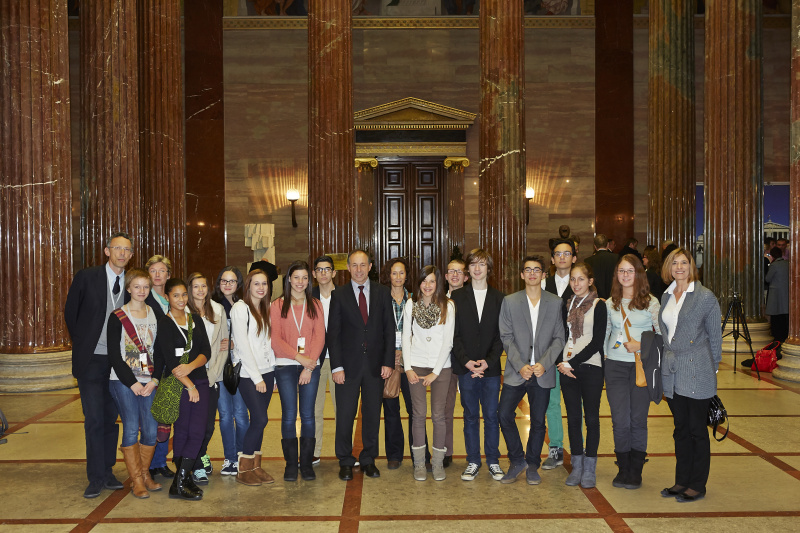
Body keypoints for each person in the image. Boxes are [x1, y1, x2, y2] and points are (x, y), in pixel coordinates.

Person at [65, 232, 135, 498]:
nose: (122, 253)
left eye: (127, 250)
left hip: (119, 362)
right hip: (92, 360)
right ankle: (95, 476)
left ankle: (107, 471)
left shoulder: (132, 282)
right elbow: (71, 312)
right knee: (94, 418)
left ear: (130, 255)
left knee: (110, 418)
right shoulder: (87, 277)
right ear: (107, 251)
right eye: (117, 248)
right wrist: (85, 342)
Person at [659, 248, 722, 503]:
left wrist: (714, 367)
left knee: (697, 429)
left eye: (684, 262)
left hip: (698, 368)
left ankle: (697, 484)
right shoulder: (666, 296)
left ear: (691, 266)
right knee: (680, 429)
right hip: (673, 370)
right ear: (669, 267)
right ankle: (681, 480)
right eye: (675, 263)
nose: (680, 267)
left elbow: (715, 336)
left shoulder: (705, 297)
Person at [498, 255, 566, 485]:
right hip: (517, 371)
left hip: (542, 372)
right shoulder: (510, 301)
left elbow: (559, 338)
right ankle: (517, 460)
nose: (532, 274)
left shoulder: (555, 302)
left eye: (537, 270)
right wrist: (521, 365)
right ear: (522, 274)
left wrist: (544, 363)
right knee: (504, 414)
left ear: (544, 274)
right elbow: (506, 337)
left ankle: (533, 464)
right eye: (528, 270)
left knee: (538, 421)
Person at [328, 250, 395, 481]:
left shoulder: (383, 293)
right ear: (347, 267)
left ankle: (368, 459)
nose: (358, 269)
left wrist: (388, 362)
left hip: (376, 366)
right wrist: (336, 367)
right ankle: (345, 460)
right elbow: (333, 335)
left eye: (362, 265)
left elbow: (389, 331)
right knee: (345, 416)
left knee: (372, 415)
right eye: (354, 265)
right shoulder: (340, 295)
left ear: (370, 266)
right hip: (347, 368)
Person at [605, 254, 661, 490]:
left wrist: (641, 345)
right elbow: (606, 332)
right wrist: (603, 358)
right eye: (621, 271)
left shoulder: (652, 303)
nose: (625, 275)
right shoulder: (610, 303)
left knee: (637, 419)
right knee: (619, 420)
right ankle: (623, 467)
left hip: (641, 366)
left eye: (630, 271)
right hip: (615, 366)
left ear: (639, 273)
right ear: (616, 275)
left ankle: (635, 469)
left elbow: (662, 337)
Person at [152, 278, 211, 500]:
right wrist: (189, 384)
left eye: (184, 294)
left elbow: (206, 351)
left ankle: (181, 481)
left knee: (198, 430)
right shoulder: (164, 323)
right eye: (175, 295)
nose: (181, 299)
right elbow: (169, 359)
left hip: (200, 380)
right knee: (184, 431)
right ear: (167, 297)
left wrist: (191, 366)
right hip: (179, 385)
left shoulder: (195, 319)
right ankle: (181, 481)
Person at [106, 268, 162, 499]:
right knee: (131, 428)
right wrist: (132, 383)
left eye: (146, 287)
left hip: (149, 381)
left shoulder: (154, 313)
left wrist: (155, 379)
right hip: (123, 381)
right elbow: (114, 355)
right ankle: (136, 480)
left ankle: (145, 473)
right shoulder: (118, 316)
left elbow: (159, 351)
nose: (141, 291)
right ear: (128, 288)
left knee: (150, 430)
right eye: (137, 286)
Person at [450, 248, 505, 482]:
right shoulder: (457, 297)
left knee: (492, 416)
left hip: (490, 370)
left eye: (482, 264)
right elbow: (454, 335)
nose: (477, 268)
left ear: (488, 269)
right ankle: (473, 460)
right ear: (467, 270)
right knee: (471, 415)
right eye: (473, 264)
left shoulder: (500, 298)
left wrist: (487, 362)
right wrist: (468, 362)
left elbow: (502, 336)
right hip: (466, 368)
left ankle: (493, 460)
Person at [271, 261, 325, 482]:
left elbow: (320, 337)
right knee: (289, 416)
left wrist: (308, 365)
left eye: (304, 278)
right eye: (296, 278)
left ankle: (306, 464)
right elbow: (275, 339)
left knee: (308, 416)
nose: (300, 282)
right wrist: (299, 358)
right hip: (285, 365)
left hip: (311, 367)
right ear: (289, 280)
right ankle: (291, 465)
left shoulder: (316, 305)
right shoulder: (277, 305)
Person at [403, 265, 456, 481]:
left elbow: (448, 342)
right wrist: (407, 368)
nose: (427, 285)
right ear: (419, 283)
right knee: (418, 415)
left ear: (438, 284)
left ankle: (437, 463)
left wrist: (435, 372)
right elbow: (407, 337)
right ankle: (419, 465)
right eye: (424, 281)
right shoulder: (410, 304)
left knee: (438, 415)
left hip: (441, 367)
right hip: (415, 364)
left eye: (432, 281)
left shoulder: (448, 306)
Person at [557, 262, 607, 489]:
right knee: (574, 419)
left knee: (592, 419)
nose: (576, 283)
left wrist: (571, 363)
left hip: (590, 367)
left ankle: (589, 467)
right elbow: (562, 336)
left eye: (581, 279)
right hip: (567, 369)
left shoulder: (598, 305)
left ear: (590, 281)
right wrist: (561, 361)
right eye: (572, 279)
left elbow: (597, 342)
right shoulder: (567, 305)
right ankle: (576, 464)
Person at [380, 257, 429, 470]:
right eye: (394, 273)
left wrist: (405, 353)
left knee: (415, 409)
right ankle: (394, 455)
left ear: (407, 276)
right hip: (388, 361)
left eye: (401, 273)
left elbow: (422, 331)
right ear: (388, 275)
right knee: (391, 408)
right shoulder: (380, 299)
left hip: (412, 362)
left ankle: (421, 453)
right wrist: (390, 354)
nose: (398, 277)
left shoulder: (415, 299)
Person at [230, 269, 277, 486]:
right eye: (256, 284)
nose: (260, 288)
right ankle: (243, 468)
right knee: (260, 419)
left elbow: (267, 344)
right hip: (249, 374)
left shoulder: (265, 307)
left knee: (260, 421)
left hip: (267, 371)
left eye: (264, 284)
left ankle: (256, 466)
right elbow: (242, 345)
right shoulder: (240, 308)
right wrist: (257, 377)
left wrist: (271, 374)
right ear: (247, 286)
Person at [186, 272, 229, 485]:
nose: (200, 290)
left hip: (212, 376)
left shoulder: (218, 310)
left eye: (203, 286)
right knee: (194, 423)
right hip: (191, 377)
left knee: (209, 425)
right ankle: (196, 464)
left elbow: (223, 345)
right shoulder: (182, 311)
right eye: (196, 286)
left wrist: (212, 375)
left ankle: (201, 453)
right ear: (189, 289)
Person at [540, 238, 577, 470]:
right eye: (558, 254)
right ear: (552, 259)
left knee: (576, 405)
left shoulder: (582, 283)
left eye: (567, 253)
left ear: (574, 257)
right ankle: (555, 449)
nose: (562, 257)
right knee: (551, 404)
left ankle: (579, 451)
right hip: (550, 354)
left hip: (576, 355)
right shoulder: (543, 284)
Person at [211, 266, 250, 476]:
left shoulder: (244, 307)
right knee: (225, 416)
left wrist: (235, 343)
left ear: (238, 284)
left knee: (241, 415)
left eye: (232, 281)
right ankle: (230, 458)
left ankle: (243, 457)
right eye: (224, 281)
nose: (227, 285)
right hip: (219, 369)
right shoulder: (211, 307)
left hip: (239, 368)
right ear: (218, 284)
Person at [144, 255, 172, 481]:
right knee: (150, 418)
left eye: (161, 270)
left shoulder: (174, 298)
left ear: (168, 275)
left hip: (171, 366)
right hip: (151, 365)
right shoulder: (144, 297)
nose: (157, 275)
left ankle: (161, 462)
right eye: (153, 270)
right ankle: (149, 464)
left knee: (166, 415)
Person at [442, 257, 469, 467]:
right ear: (446, 276)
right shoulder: (439, 300)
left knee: (471, 411)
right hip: (447, 364)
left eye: (459, 271)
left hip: (469, 363)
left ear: (466, 276)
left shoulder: (471, 300)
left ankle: (474, 455)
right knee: (445, 410)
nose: (455, 275)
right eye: (451, 271)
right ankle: (446, 451)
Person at [311, 255, 336, 464]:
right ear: (314, 274)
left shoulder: (344, 296)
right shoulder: (308, 297)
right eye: (319, 270)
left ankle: (343, 451)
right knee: (314, 409)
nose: (323, 273)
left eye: (327, 269)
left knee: (342, 409)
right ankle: (314, 451)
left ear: (334, 273)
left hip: (339, 361)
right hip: (315, 361)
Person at [765, 246, 789, 358]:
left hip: (775, 293)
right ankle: (785, 335)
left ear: (773, 255)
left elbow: (767, 279)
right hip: (785, 292)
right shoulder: (787, 264)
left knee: (775, 315)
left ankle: (777, 336)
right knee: (784, 314)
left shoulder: (774, 265)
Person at [584, 234, 618, 299]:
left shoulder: (588, 261)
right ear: (608, 245)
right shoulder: (616, 258)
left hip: (596, 299)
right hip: (614, 297)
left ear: (595, 246)